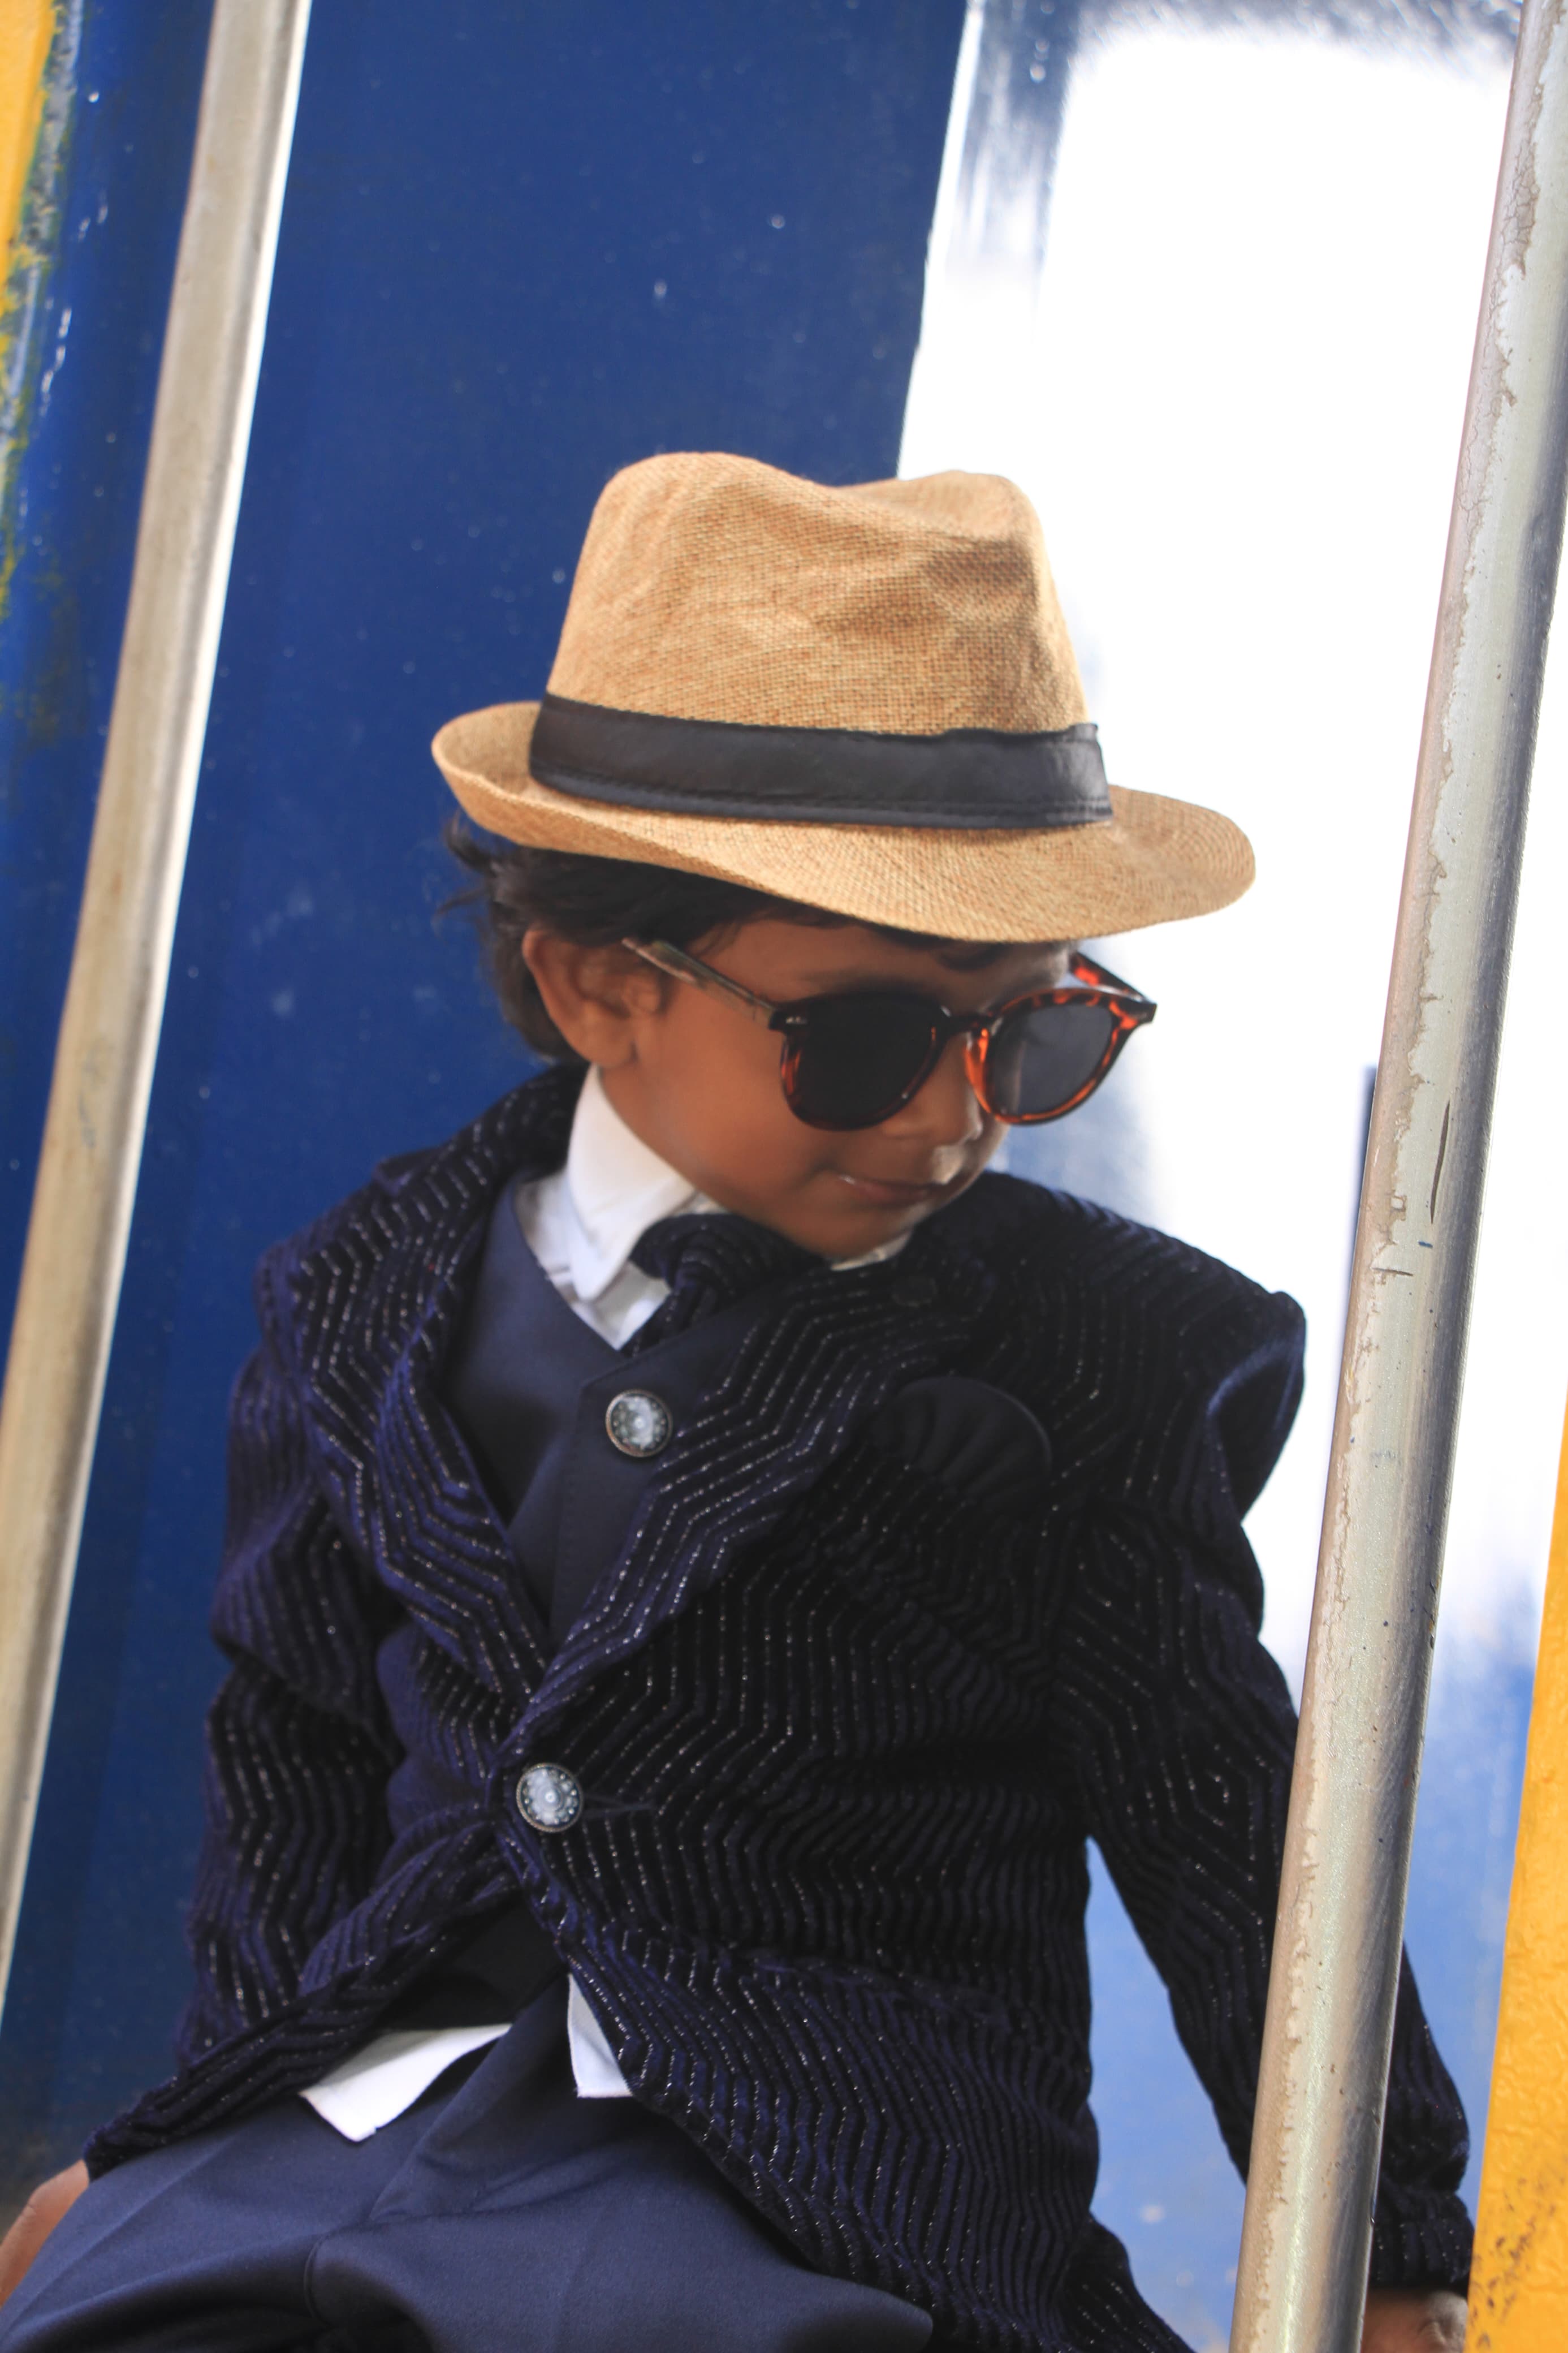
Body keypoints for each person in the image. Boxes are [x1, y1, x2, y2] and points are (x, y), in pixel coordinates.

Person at [0, 454, 1470, 2351]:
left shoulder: (1085, 1359)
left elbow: (1232, 1836)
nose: (957, 1118)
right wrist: (180, 2130)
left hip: (804, 2187)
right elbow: (290, 1754)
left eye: (1034, 1030)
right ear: (603, 990)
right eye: (864, 1041)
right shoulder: (366, 1298)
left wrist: (1381, 2249)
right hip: (350, 2126)